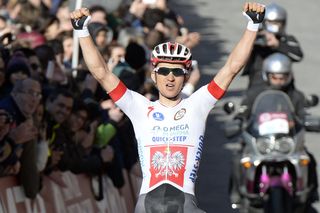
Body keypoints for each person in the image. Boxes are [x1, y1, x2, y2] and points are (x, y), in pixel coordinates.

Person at [70, 2, 265, 212]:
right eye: (163, 72)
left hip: (185, 204)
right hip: (148, 203)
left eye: (177, 72)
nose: (170, 78)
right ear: (154, 76)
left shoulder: (198, 104)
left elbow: (232, 68)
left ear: (186, 76)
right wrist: (82, 31)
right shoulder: (139, 107)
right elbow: (101, 73)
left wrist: (252, 26)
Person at [230, 52, 319, 206]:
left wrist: (306, 121)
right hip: (261, 143)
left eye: (283, 77)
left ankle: (310, 194)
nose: (279, 81)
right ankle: (238, 194)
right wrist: (239, 120)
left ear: (289, 76)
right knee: (239, 160)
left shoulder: (295, 95)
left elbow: (302, 115)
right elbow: (243, 112)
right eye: (275, 77)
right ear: (266, 75)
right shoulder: (254, 94)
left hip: (287, 143)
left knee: (309, 160)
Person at [242, 2, 303, 90]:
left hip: (284, 87)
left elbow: (298, 56)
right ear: (264, 22)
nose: (274, 26)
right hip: (258, 86)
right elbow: (242, 59)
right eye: (270, 23)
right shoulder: (255, 37)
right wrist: (257, 40)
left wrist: (277, 45)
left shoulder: (287, 40)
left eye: (277, 23)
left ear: (283, 23)